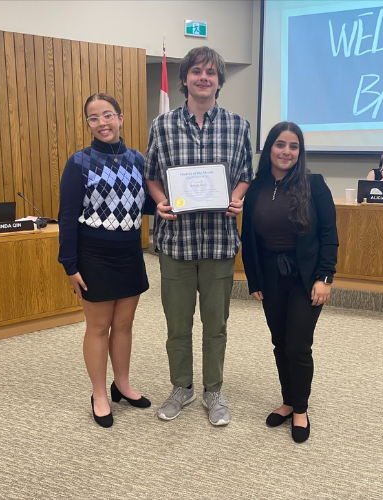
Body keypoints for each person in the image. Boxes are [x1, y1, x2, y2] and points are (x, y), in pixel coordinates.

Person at [144, 46, 253, 426]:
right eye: (196, 71)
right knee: (177, 323)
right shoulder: (162, 126)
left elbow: (245, 175)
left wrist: (237, 198)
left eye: (210, 72)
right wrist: (159, 201)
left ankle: (213, 390)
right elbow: (152, 175)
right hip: (176, 243)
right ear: (185, 78)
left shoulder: (239, 126)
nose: (203, 78)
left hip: (219, 243)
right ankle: (182, 387)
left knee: (216, 324)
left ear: (220, 81)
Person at [58, 93, 151, 428]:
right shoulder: (78, 162)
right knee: (98, 327)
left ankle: (122, 384)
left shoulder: (139, 159)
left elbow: (148, 204)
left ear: (121, 118)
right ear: (88, 124)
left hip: (129, 252)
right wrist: (70, 265)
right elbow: (67, 217)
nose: (102, 123)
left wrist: (177, 202)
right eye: (94, 118)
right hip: (93, 255)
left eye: (108, 115)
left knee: (124, 325)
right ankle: (99, 392)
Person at [241, 122, 338, 443]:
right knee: (279, 342)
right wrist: (254, 279)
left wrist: (325, 278)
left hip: (305, 277)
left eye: (293, 146)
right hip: (269, 276)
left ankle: (301, 409)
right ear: (269, 148)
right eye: (280, 145)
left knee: (298, 345)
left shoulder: (315, 185)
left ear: (300, 151)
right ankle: (287, 400)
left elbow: (329, 236)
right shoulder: (255, 187)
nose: (286, 151)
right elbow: (249, 238)